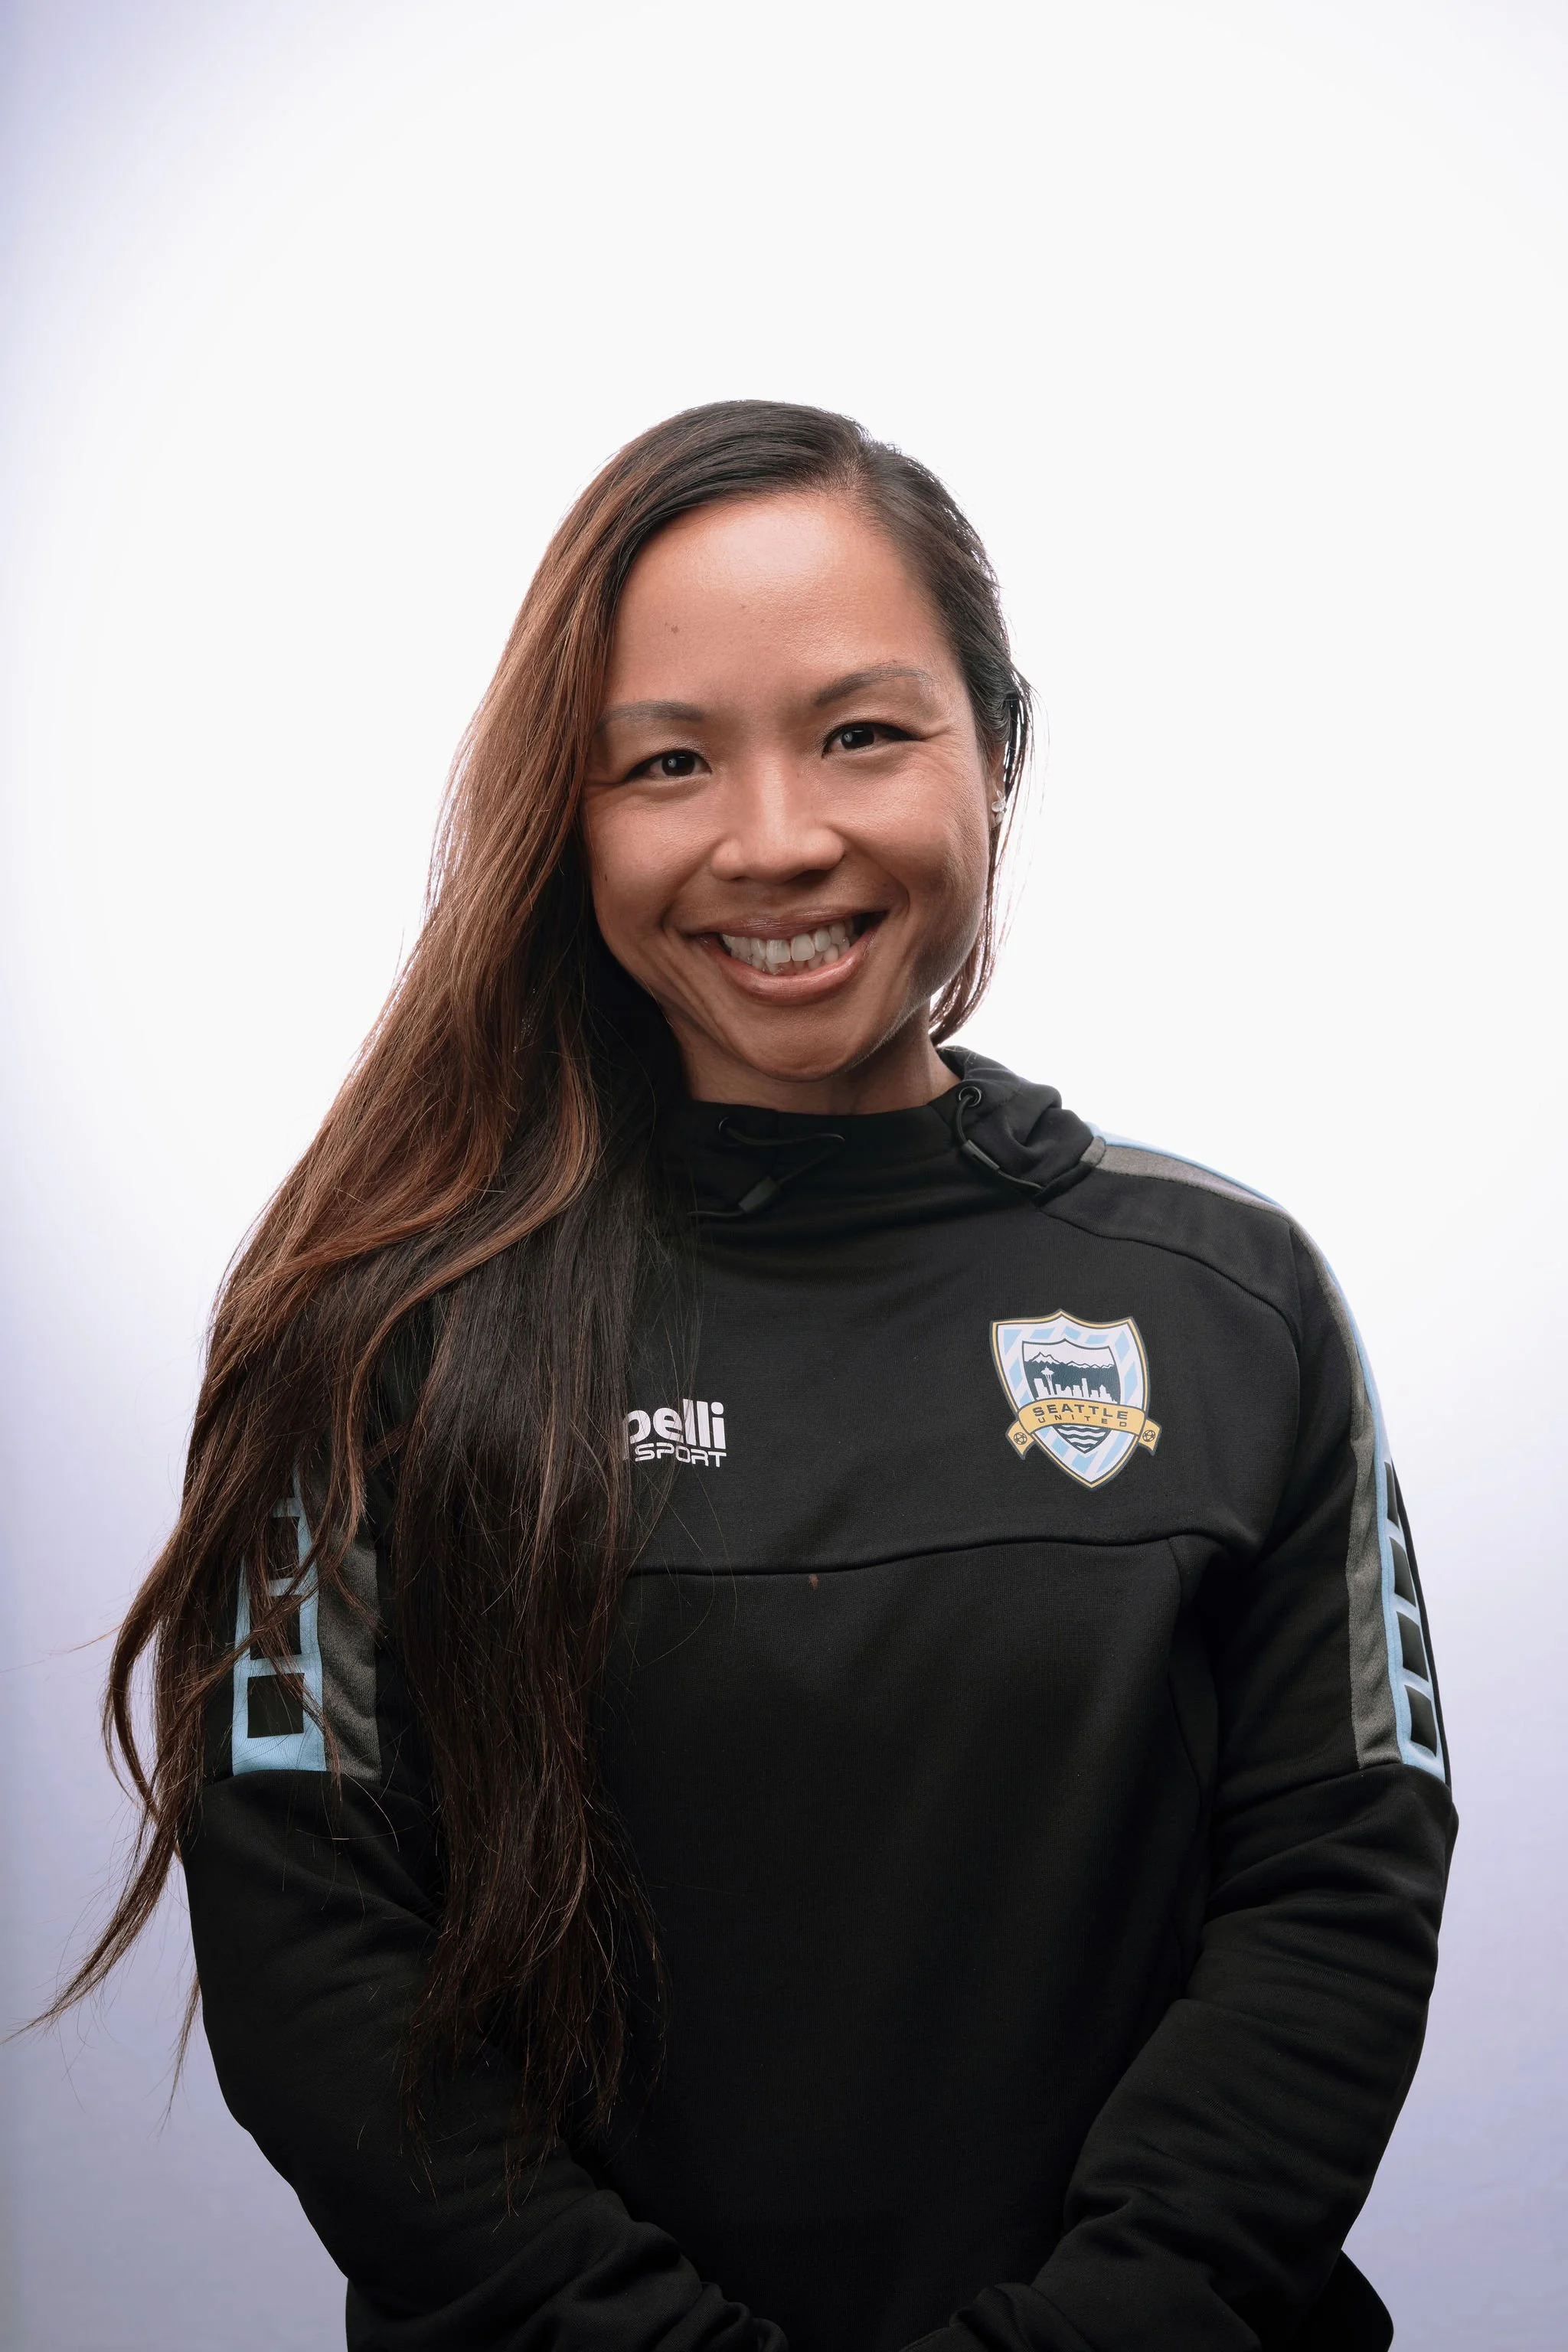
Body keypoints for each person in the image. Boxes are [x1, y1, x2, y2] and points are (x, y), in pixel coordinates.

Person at [68, 401, 1455, 2352]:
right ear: (570, 811)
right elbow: (321, 1967)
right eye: (668, 762)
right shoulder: (385, 1328)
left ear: (1003, 752)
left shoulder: (1231, 1297)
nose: (778, 836)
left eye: (862, 733)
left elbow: (1336, 1886)